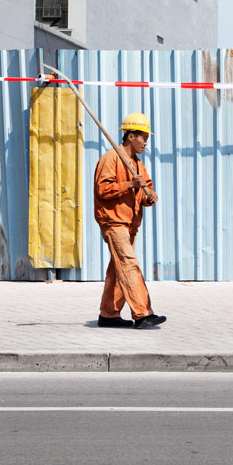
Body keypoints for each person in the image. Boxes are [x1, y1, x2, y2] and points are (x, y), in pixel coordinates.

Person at [94, 112, 166, 329]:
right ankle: (143, 313)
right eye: (143, 137)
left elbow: (145, 188)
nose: (145, 142)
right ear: (130, 136)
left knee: (118, 269)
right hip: (113, 222)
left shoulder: (136, 164)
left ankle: (108, 314)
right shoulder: (110, 159)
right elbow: (103, 189)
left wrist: (149, 196)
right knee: (128, 265)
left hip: (129, 224)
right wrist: (129, 185)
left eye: (147, 139)